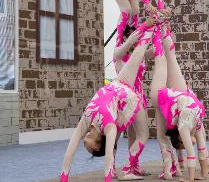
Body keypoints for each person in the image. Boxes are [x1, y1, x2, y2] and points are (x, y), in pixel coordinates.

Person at [59, 18, 156, 182]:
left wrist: (64, 175)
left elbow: (71, 147)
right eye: (87, 145)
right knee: (137, 54)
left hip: (116, 85)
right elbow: (109, 155)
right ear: (97, 146)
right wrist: (107, 178)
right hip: (126, 92)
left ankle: (151, 26)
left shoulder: (87, 119)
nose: (83, 139)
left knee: (138, 54)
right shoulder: (109, 127)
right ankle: (152, 27)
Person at [150, 22, 209, 181]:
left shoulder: (184, 126)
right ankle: (162, 24)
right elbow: (202, 147)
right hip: (180, 95)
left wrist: (191, 179)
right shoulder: (195, 124)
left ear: (180, 137)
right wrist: (205, 172)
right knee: (169, 56)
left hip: (161, 96)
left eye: (183, 144)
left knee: (161, 60)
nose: (187, 145)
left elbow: (193, 150)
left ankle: (159, 25)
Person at [113, 24, 154, 177]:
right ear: (125, 37)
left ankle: (132, 165)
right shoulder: (119, 54)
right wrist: (130, 40)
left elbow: (156, 51)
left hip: (138, 98)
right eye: (134, 36)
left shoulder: (140, 54)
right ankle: (111, 167)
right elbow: (121, 49)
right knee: (115, 135)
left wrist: (161, 31)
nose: (138, 40)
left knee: (136, 135)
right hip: (123, 98)